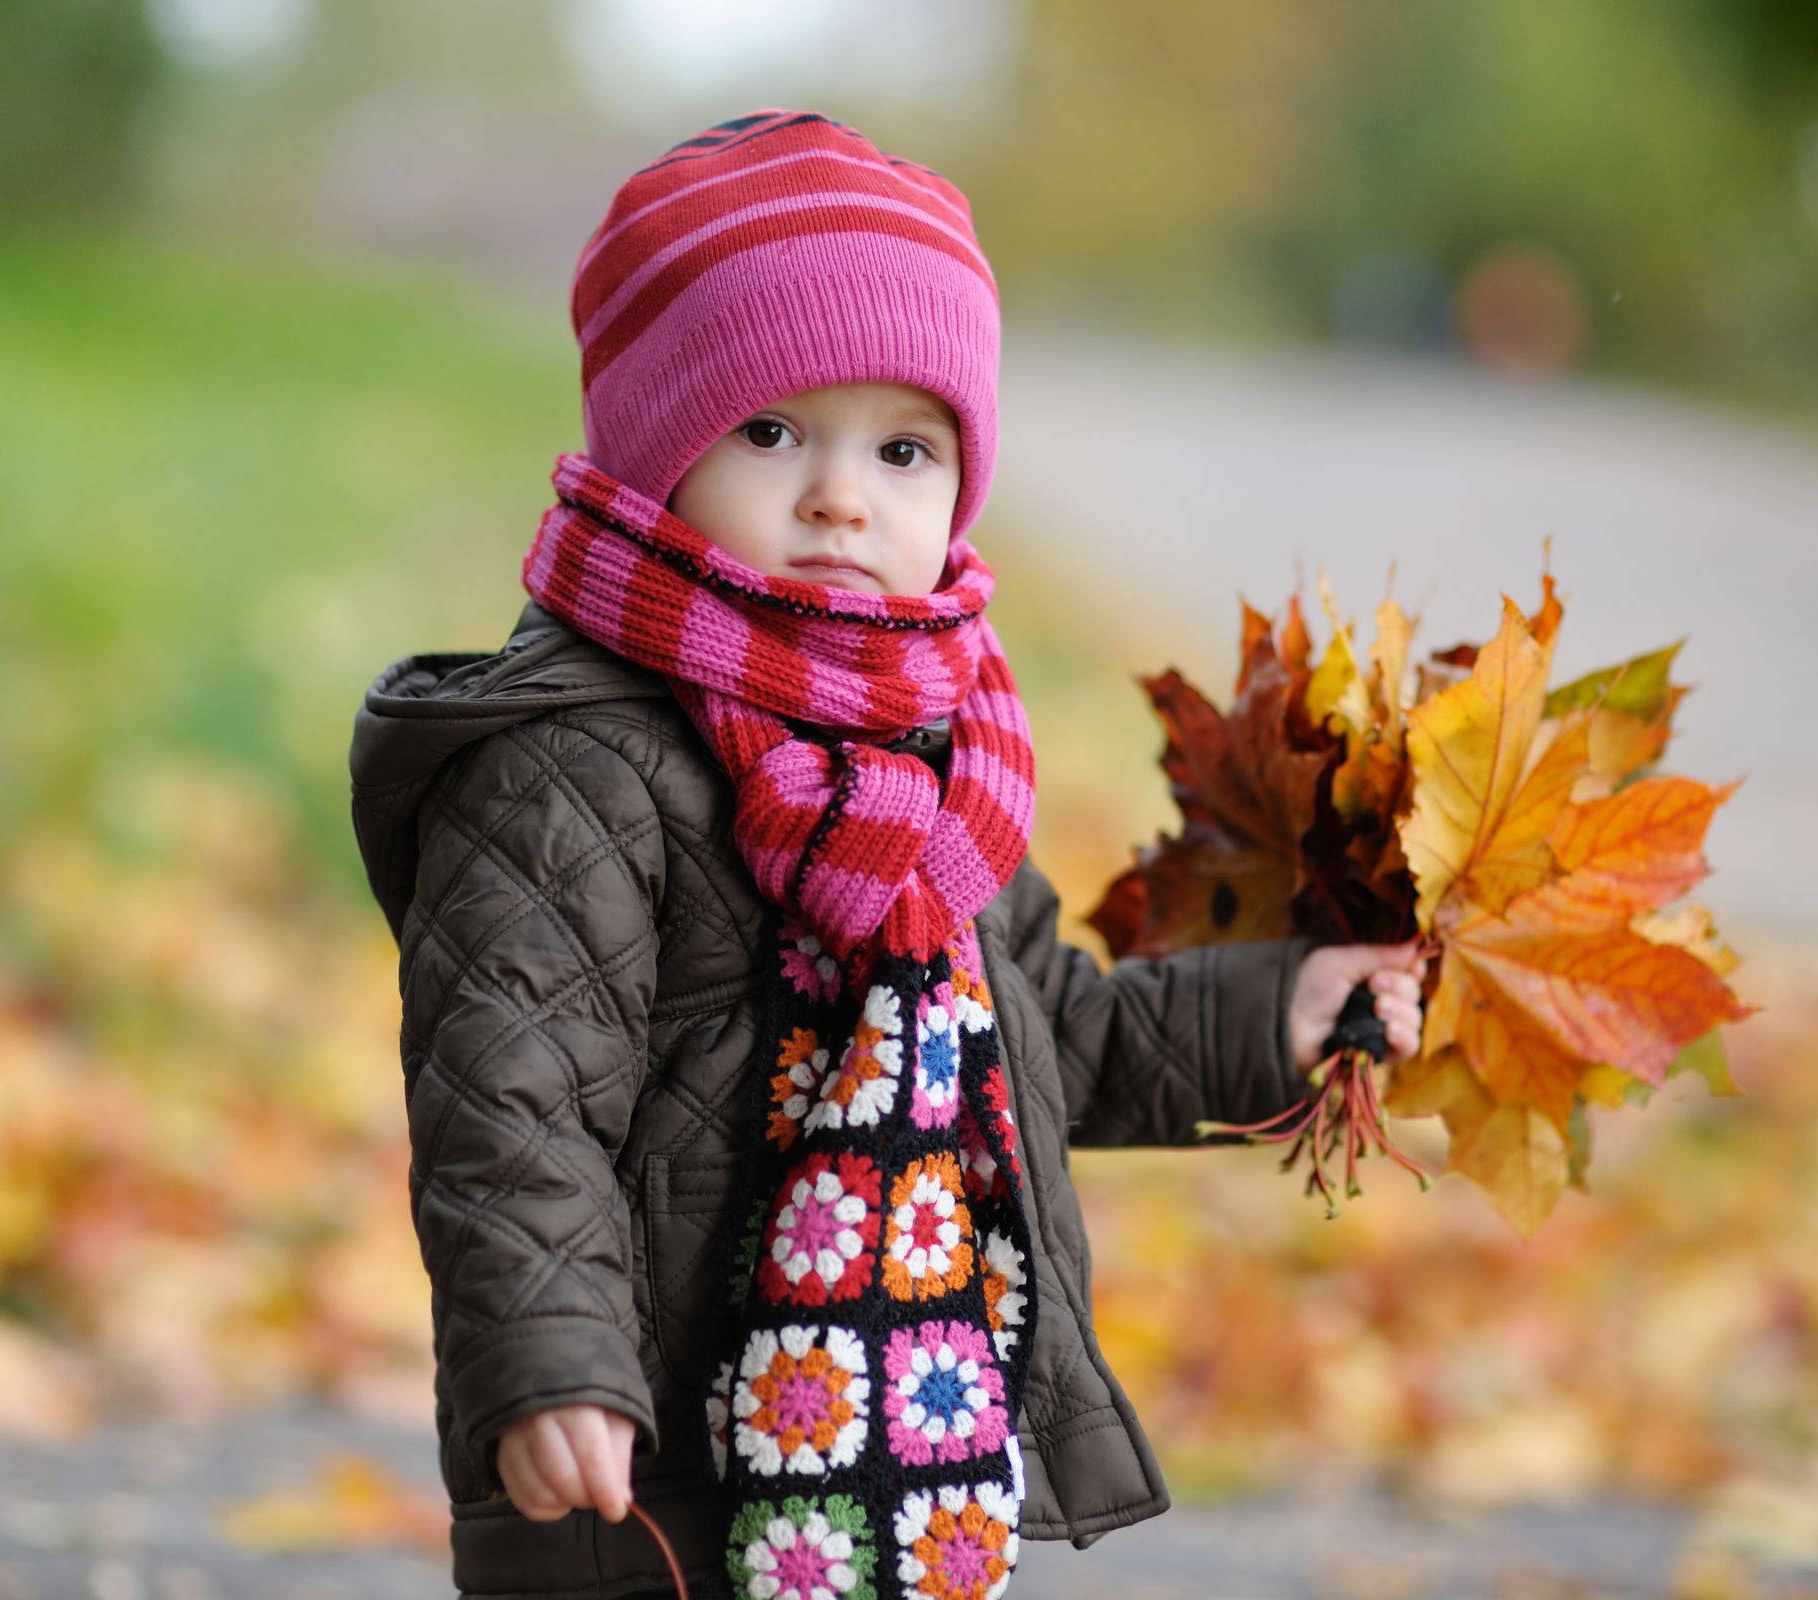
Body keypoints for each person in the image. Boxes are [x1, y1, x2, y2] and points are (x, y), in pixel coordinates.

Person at [346, 109, 1426, 1600]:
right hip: (656, 1452)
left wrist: (1276, 1014)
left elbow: (1049, 1036)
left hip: (895, 1448)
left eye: (904, 449)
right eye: (773, 430)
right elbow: (512, 1101)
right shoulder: (568, 766)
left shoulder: (935, 767)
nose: (843, 495)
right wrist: (548, 1364)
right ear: (655, 451)